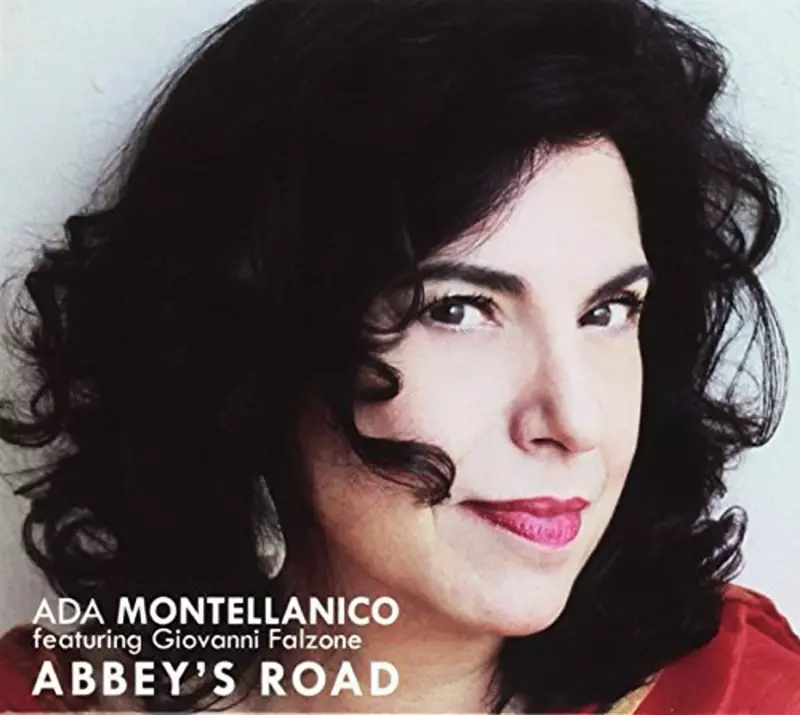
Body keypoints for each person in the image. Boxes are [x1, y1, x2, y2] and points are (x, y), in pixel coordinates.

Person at [0, 0, 798, 711]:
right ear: (252, 349)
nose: (577, 420)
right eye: (458, 310)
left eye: (608, 311)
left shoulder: (740, 693)